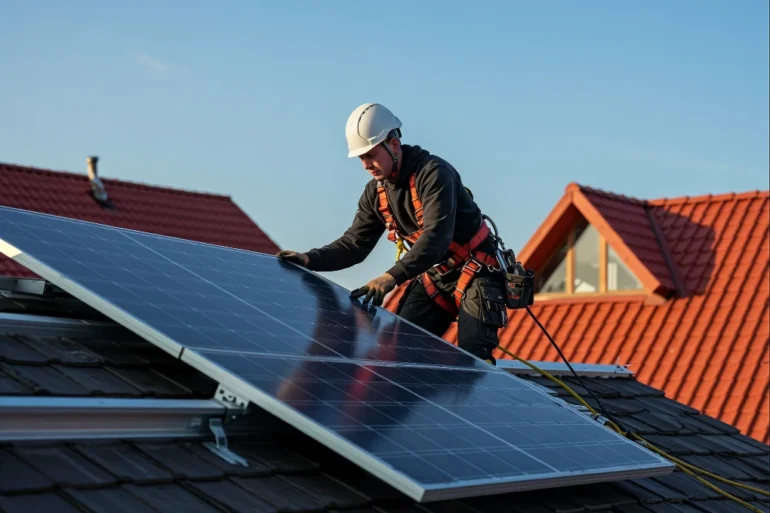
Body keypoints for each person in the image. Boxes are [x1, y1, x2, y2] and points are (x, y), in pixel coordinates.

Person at [277, 103, 509, 363]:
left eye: (371, 155)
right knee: (399, 354)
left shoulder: (434, 174)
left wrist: (390, 278)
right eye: (361, 158)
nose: (366, 165)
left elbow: (436, 239)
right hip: (437, 277)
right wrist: (310, 259)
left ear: (394, 144)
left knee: (473, 361)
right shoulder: (376, 193)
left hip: (476, 272)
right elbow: (354, 245)